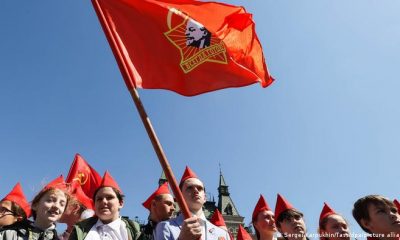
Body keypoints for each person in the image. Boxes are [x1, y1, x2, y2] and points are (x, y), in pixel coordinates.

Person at [155, 166, 231, 240]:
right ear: (180, 196)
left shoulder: (223, 234)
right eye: (190, 188)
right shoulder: (165, 227)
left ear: (205, 198)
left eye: (200, 188)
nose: (196, 190)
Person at [68, 171, 141, 240]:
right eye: (99, 199)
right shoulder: (80, 229)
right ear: (94, 205)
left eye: (109, 197)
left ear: (121, 203)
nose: (104, 201)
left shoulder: (136, 231)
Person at [0, 175, 70, 240]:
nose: (56, 206)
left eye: (62, 204)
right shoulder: (9, 235)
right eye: (50, 200)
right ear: (35, 205)